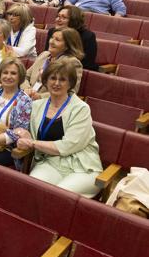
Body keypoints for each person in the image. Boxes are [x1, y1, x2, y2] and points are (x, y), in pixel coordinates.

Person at [16, 59, 103, 198]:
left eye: (62, 80)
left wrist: (32, 142)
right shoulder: (37, 105)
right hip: (50, 162)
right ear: (46, 81)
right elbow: (20, 128)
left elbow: (69, 146)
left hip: (81, 166)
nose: (56, 83)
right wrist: (21, 132)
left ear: (70, 83)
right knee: (33, 188)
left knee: (60, 195)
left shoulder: (81, 108)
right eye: (52, 78)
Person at [23, 27, 84, 100]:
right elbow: (25, 76)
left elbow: (70, 92)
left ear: (67, 46)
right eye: (52, 38)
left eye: (57, 40)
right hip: (28, 97)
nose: (51, 41)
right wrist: (28, 90)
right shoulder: (44, 55)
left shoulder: (72, 62)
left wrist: (40, 97)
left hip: (49, 103)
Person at [45, 6, 98, 71]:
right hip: (51, 67)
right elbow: (48, 53)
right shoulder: (52, 31)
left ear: (73, 20)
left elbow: (87, 64)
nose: (58, 19)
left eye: (63, 17)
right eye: (58, 16)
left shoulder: (88, 36)